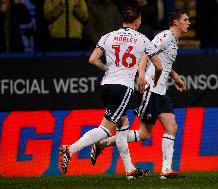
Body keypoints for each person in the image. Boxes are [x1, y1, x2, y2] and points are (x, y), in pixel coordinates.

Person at [58, 5, 163, 180]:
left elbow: (92, 59)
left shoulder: (108, 36)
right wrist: (155, 79)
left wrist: (107, 69)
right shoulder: (143, 39)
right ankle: (70, 149)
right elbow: (158, 66)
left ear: (123, 20)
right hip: (123, 87)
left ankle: (130, 170)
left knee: (122, 124)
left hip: (106, 85)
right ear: (138, 21)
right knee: (106, 130)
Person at [90, 9, 189, 180]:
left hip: (161, 91)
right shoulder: (164, 37)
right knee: (144, 134)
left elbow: (163, 62)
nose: (189, 23)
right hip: (150, 89)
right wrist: (141, 75)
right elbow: (146, 53)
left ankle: (166, 170)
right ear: (175, 22)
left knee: (171, 127)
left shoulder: (173, 40)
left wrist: (175, 76)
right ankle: (103, 142)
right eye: (185, 20)